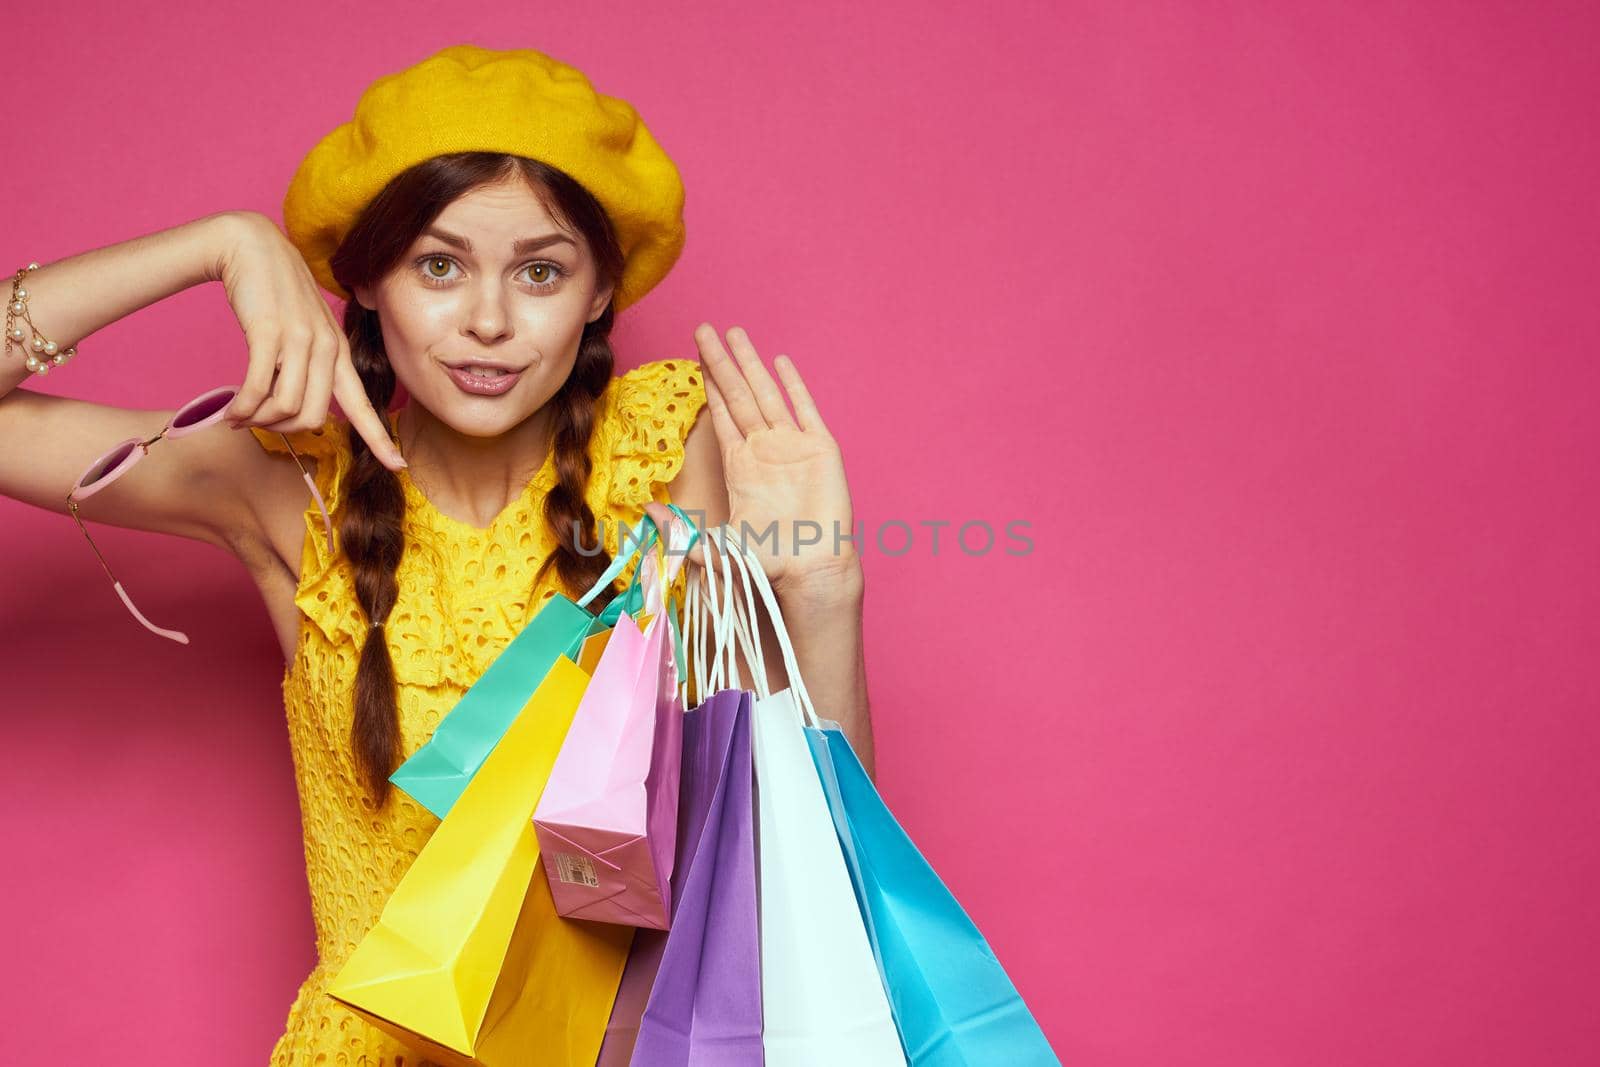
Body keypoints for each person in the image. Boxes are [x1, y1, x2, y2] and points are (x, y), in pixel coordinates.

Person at [0, 43, 876, 1065]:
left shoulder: (672, 457)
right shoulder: (290, 488)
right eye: (438, 263)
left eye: (540, 270)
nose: (491, 320)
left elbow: (823, 865)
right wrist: (220, 244)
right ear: (367, 280)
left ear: (599, 294)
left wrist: (822, 588)